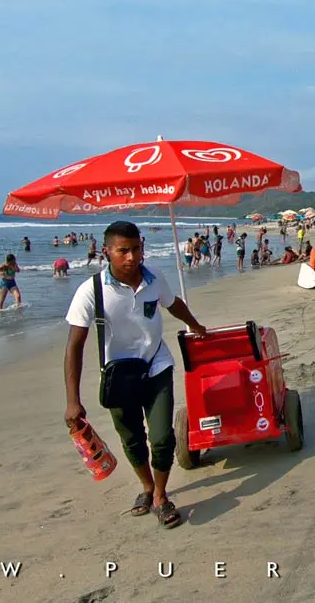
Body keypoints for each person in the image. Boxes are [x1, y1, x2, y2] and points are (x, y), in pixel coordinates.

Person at [63, 221, 205, 530]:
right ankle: (146, 487)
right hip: (118, 375)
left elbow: (173, 304)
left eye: (136, 249)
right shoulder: (92, 291)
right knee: (132, 440)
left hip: (156, 365)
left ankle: (161, 496)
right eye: (123, 251)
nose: (131, 257)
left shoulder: (154, 280)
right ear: (107, 252)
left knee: (162, 437)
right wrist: (72, 401)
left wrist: (195, 325)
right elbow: (74, 346)